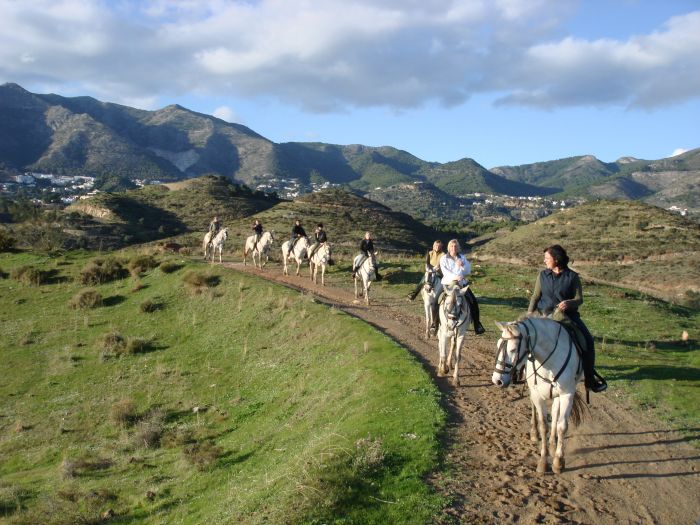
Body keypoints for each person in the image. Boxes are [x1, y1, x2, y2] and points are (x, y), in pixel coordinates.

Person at [527, 244, 607, 393]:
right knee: (525, 338)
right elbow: (535, 297)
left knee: (588, 341)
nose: (544, 261)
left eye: (547, 258)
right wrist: (529, 315)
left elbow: (579, 299)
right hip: (545, 316)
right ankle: (519, 373)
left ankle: (590, 380)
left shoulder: (572, 277)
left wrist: (569, 303)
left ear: (556, 260)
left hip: (568, 317)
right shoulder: (542, 275)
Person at [439, 239, 485, 334]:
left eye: (455, 246)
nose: (453, 248)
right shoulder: (443, 258)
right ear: (449, 247)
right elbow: (445, 272)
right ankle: (435, 324)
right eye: (452, 246)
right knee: (437, 300)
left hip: (461, 284)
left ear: (458, 248)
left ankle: (477, 325)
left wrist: (463, 264)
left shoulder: (462, 257)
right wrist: (455, 276)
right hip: (448, 284)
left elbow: (467, 271)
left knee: (473, 302)